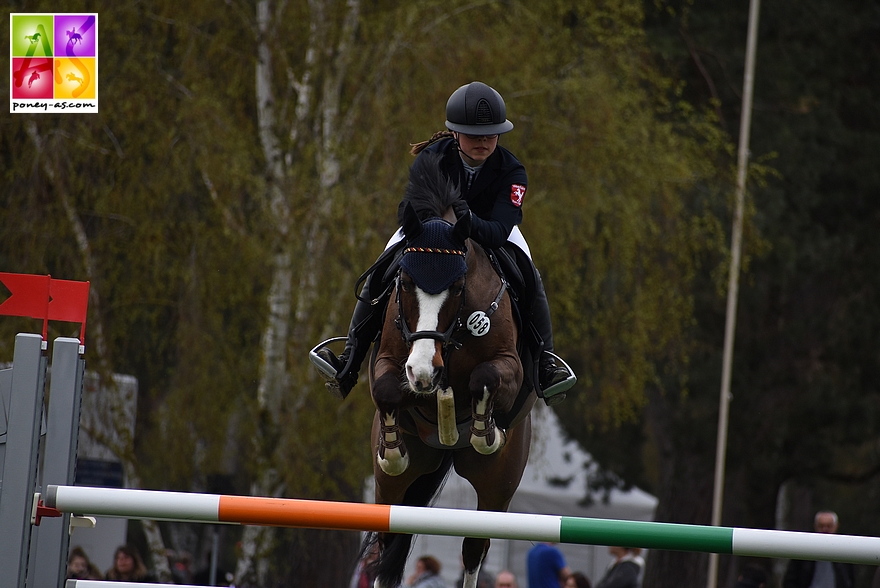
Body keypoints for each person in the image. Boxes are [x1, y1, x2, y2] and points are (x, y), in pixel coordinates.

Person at [315, 81, 575, 404]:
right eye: (473, 134)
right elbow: (408, 208)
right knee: (384, 265)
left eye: (490, 134)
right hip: (433, 234)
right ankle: (349, 360)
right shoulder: (432, 157)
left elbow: (497, 230)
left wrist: (466, 218)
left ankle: (546, 363)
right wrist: (441, 223)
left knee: (528, 270)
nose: (482, 141)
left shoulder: (512, 171)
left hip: (491, 235)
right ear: (454, 133)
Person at [782, 511, 854, 588]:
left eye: (829, 526)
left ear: (836, 526)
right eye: (821, 526)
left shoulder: (845, 551)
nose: (825, 529)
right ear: (815, 526)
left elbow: (850, 580)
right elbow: (790, 580)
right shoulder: (803, 551)